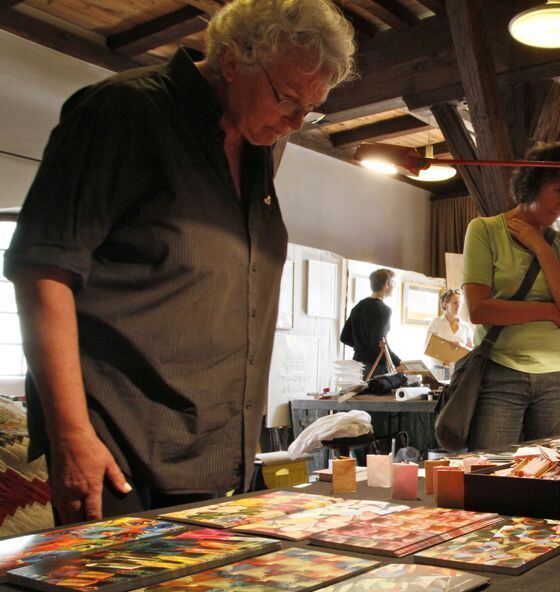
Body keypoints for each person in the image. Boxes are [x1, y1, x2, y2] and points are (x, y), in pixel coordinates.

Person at [3, 0, 355, 523]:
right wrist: (71, 434)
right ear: (232, 60)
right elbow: (43, 270)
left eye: (312, 110)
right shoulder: (124, 112)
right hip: (119, 450)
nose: (295, 122)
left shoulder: (259, 151)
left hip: (214, 452)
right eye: (287, 99)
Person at [463, 142, 560, 451]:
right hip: (499, 373)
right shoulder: (484, 230)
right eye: (558, 190)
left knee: (554, 477)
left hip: (559, 378)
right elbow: (479, 310)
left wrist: (541, 247)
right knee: (491, 472)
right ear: (533, 181)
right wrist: (548, 311)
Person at [340, 268, 401, 378]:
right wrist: (398, 363)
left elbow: (344, 337)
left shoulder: (358, 306)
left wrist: (361, 347)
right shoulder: (384, 310)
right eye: (394, 283)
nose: (395, 286)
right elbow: (378, 344)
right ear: (387, 284)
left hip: (356, 365)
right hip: (374, 368)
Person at [425, 288, 473, 378]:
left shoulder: (466, 326)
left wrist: (461, 346)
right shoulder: (436, 322)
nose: (459, 306)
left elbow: (472, 351)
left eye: (460, 303)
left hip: (460, 370)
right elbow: (428, 347)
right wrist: (441, 359)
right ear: (445, 304)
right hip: (439, 369)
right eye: (455, 303)